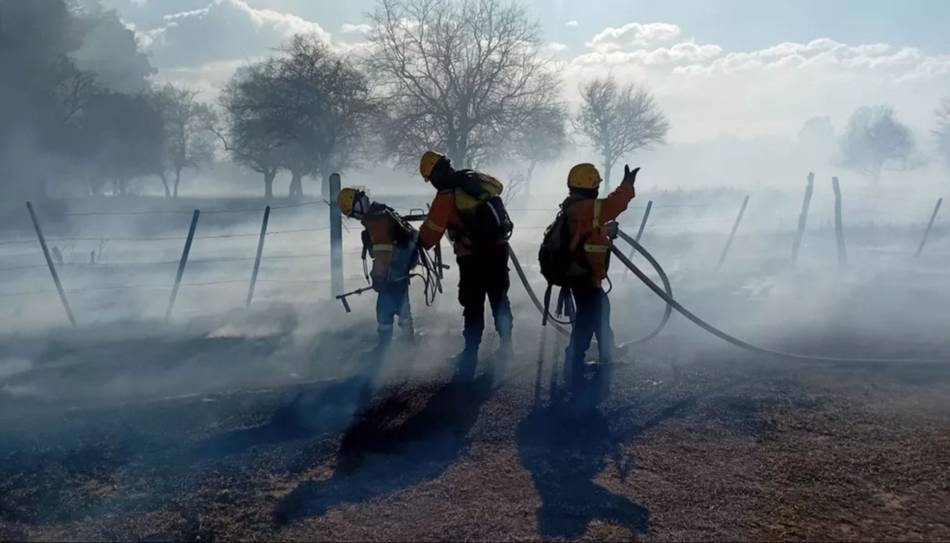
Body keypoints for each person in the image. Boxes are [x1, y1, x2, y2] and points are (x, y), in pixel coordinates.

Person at [417, 151, 514, 365]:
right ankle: (507, 347)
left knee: (473, 304)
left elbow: (430, 235)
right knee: (499, 299)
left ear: (434, 175)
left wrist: (414, 242)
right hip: (498, 251)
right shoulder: (475, 178)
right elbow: (497, 188)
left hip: (472, 258)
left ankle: (470, 354)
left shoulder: (446, 195)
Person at [560, 163, 639, 382]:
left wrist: (603, 231)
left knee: (600, 311)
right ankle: (574, 363)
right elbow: (615, 204)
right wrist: (627, 184)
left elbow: (586, 231)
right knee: (588, 318)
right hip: (585, 274)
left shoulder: (573, 206)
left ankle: (607, 354)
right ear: (592, 185)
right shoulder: (588, 207)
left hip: (580, 272)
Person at [337, 187, 416, 357]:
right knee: (401, 305)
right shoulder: (381, 211)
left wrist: (378, 277)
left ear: (358, 206)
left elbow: (383, 252)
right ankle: (407, 344)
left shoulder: (376, 220)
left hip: (392, 271)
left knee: (385, 308)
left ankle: (389, 347)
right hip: (399, 268)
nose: (355, 218)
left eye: (353, 214)